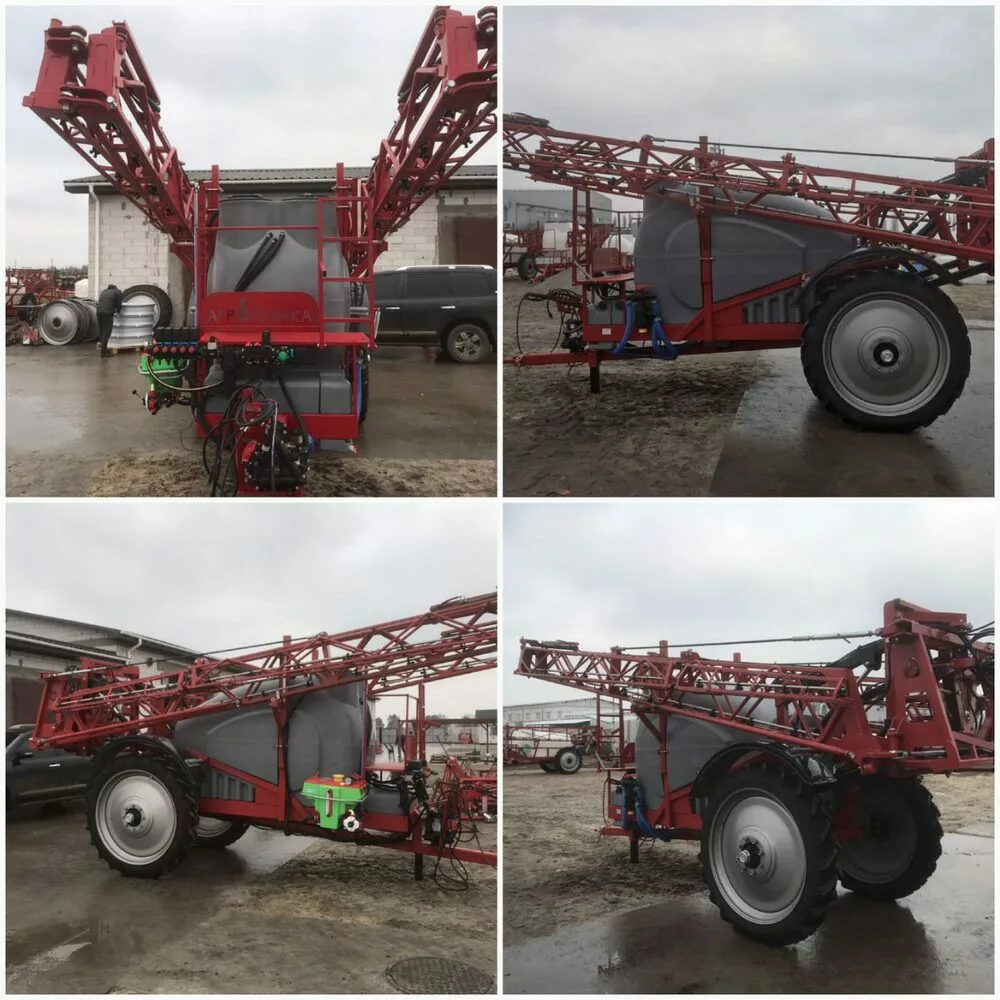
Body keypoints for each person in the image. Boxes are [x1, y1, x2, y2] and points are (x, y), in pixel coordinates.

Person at [96, 283, 124, 357]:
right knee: (107, 331)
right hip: (107, 313)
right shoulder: (117, 292)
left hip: (98, 312)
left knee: (102, 331)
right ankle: (104, 352)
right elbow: (119, 303)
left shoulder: (104, 292)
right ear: (115, 288)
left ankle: (104, 349)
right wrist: (118, 311)